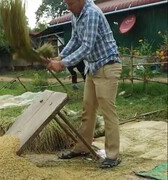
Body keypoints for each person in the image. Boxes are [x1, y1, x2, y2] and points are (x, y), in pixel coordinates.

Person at [47, 0, 122, 169]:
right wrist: (60, 57)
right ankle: (83, 147)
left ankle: (112, 155)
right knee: (88, 109)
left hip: (107, 66)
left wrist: (63, 63)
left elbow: (87, 46)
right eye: (67, 3)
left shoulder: (92, 13)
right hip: (93, 67)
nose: (68, 7)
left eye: (71, 3)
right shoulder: (76, 15)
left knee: (108, 112)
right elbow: (75, 40)